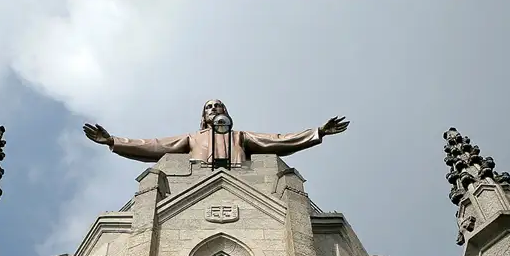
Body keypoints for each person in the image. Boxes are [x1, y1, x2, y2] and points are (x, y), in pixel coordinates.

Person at [83, 99, 349, 165]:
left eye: (217, 105)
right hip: (197, 175)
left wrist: (317, 132)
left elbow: (276, 140)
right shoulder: (193, 138)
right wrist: (114, 141)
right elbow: (154, 145)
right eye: (209, 107)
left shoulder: (239, 136)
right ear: (203, 116)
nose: (213, 109)